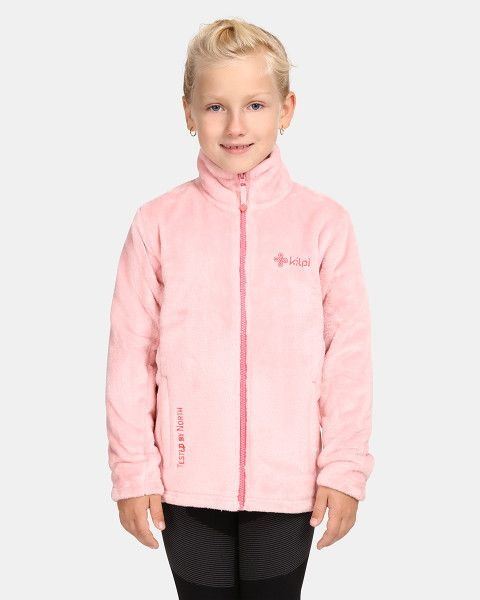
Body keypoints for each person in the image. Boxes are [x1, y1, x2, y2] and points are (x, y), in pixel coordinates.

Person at [105, 17, 374, 599]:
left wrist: (344, 466)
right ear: (187, 112)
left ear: (286, 109)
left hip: (290, 486)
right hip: (185, 484)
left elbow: (347, 356)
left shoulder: (324, 224)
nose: (234, 125)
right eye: (214, 107)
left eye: (254, 104)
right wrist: (132, 470)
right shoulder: (157, 224)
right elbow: (131, 357)